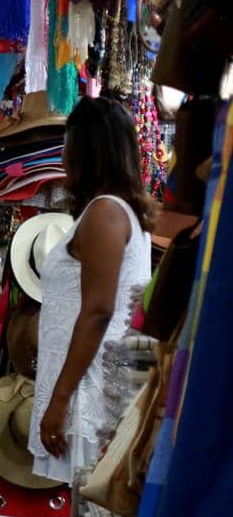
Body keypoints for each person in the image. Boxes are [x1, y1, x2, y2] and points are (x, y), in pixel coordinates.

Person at [31, 97, 154, 483]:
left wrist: (61, 397)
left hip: (96, 385)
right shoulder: (115, 209)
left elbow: (99, 310)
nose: (63, 156)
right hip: (104, 377)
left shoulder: (105, 212)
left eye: (67, 144)